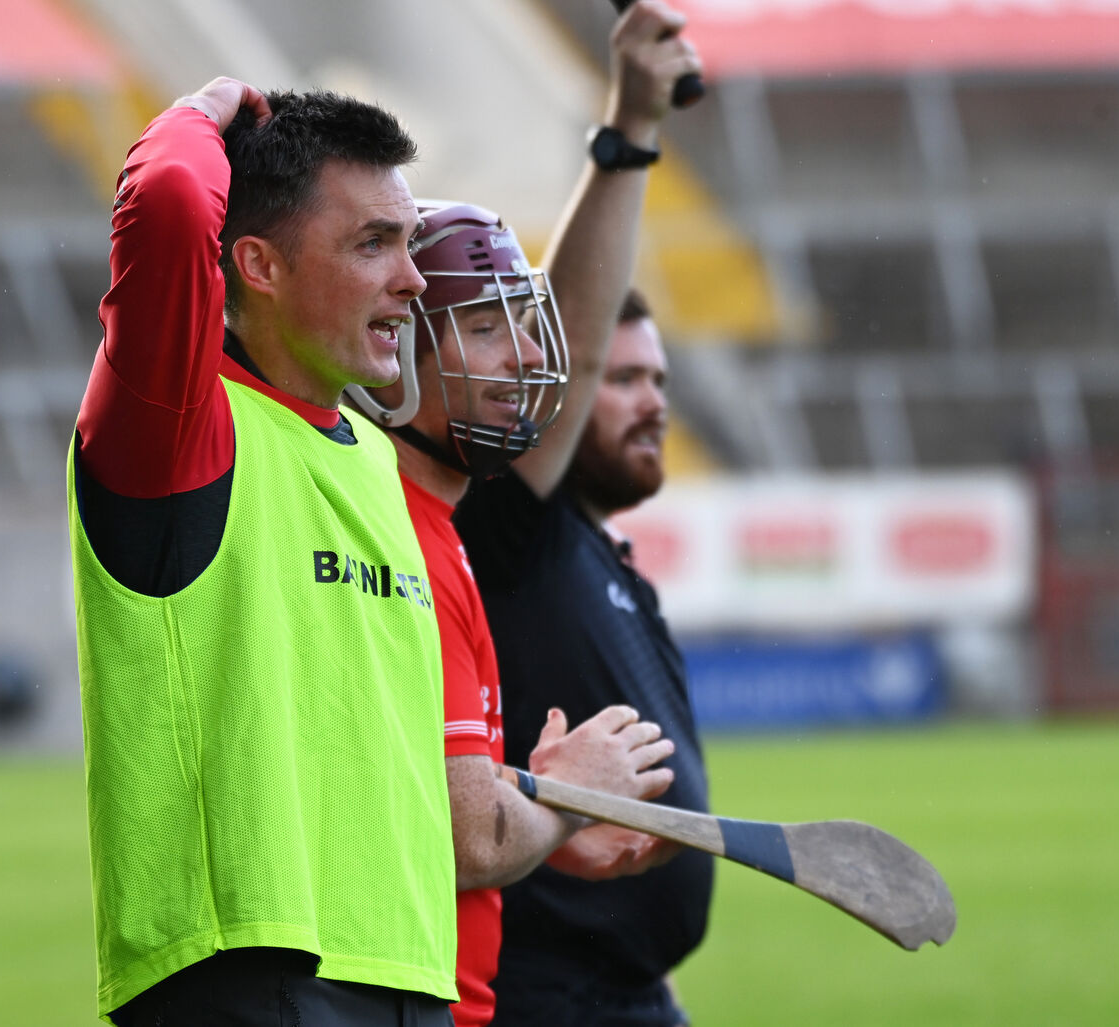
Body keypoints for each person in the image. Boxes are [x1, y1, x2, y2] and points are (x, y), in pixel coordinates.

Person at [66, 78, 458, 1025]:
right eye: (373, 244)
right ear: (259, 265)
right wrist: (200, 114)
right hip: (248, 975)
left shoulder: (373, 455)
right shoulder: (179, 431)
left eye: (408, 242)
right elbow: (165, 204)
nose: (413, 278)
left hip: (406, 971)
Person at [347, 6, 702, 1025]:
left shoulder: (451, 532)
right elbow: (454, 833)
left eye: (525, 325)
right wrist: (552, 798)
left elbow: (409, 795)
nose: (535, 361)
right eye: (488, 329)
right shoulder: (392, 531)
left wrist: (534, 802)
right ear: (389, 354)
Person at [453, 287, 713, 1026]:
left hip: (631, 995)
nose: (653, 403)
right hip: (543, 1001)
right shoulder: (511, 533)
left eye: (659, 380)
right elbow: (573, 333)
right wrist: (620, 167)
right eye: (622, 379)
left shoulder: (605, 557)